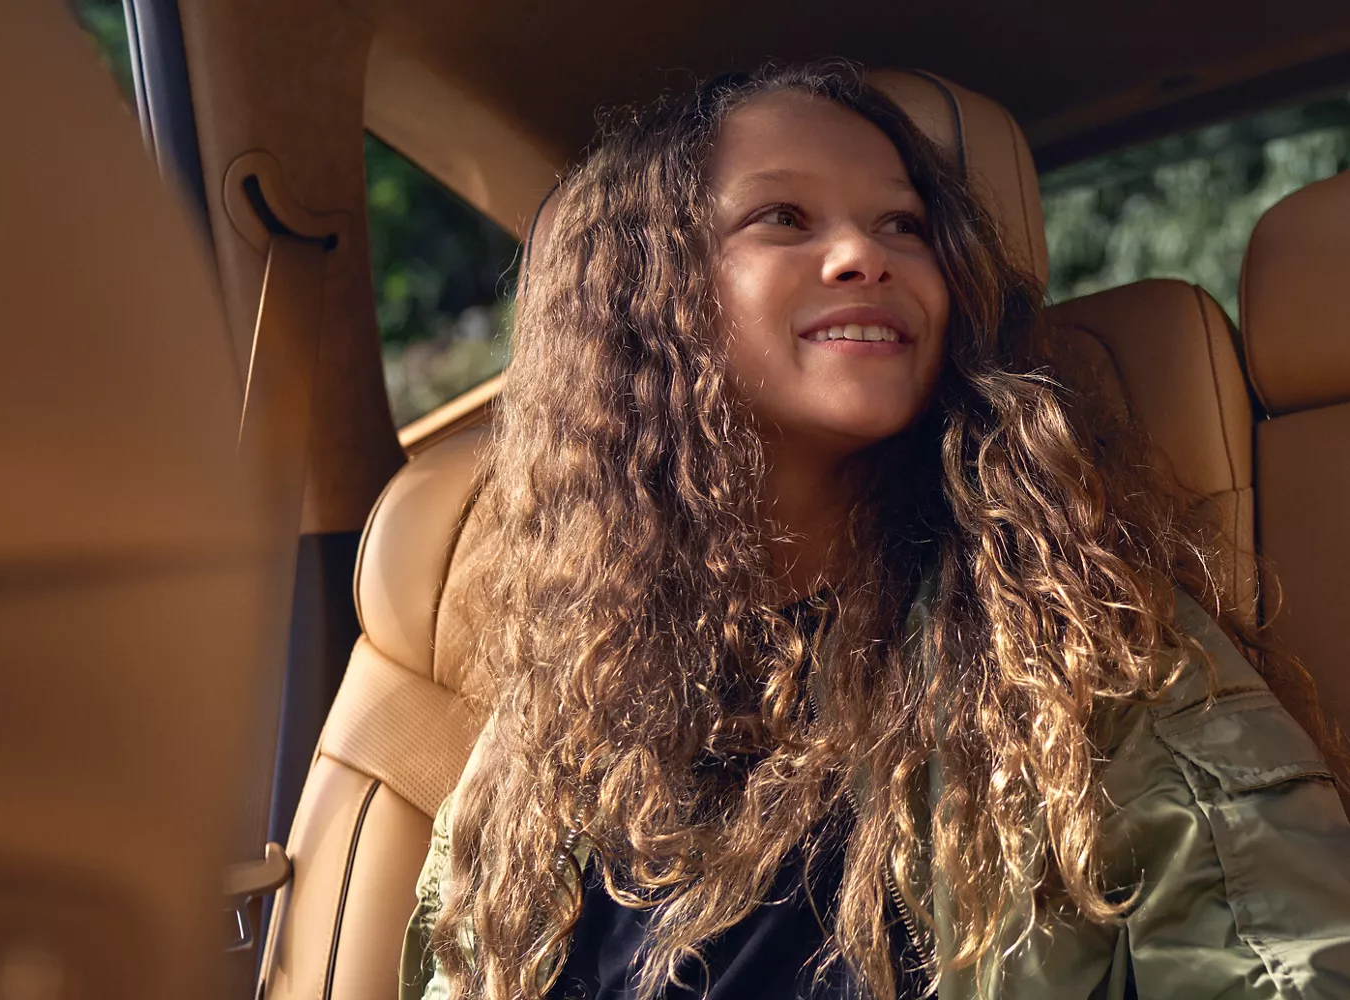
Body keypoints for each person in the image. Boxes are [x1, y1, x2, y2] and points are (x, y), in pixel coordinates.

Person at [399, 63, 1350, 1000]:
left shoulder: (1073, 644)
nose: (864, 253)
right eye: (783, 219)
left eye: (904, 224)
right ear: (652, 305)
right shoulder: (555, 726)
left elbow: (1279, 963)